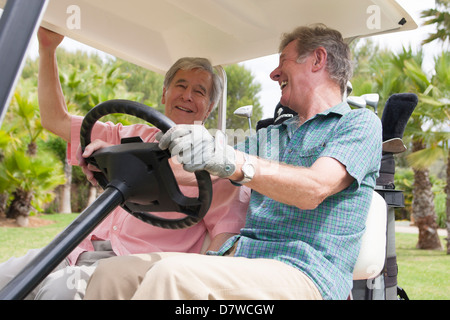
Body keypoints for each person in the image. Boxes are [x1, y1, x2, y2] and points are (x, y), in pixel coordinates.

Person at [83, 24, 383, 300]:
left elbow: (314, 188)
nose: (274, 74)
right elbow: (189, 171)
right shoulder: (272, 136)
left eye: (284, 61)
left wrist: (231, 161)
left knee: (170, 278)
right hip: (240, 258)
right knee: (114, 273)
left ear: (317, 59)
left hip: (305, 274)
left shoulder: (359, 124)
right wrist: (114, 164)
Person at [0, 27, 249, 300]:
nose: (187, 95)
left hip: (134, 267)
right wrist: (48, 49)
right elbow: (54, 120)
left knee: (58, 291)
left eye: (199, 91)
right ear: (165, 93)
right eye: (181, 85)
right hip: (76, 248)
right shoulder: (127, 135)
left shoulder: (219, 166)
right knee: (6, 277)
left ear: (210, 107)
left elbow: (224, 238)